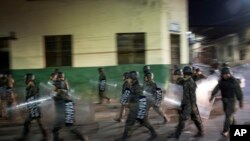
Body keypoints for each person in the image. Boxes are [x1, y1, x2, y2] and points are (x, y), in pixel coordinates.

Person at [117, 71, 157, 141]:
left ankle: (124, 137)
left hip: (137, 107)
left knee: (129, 122)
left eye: (129, 78)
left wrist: (129, 103)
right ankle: (154, 133)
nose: (128, 80)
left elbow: (138, 97)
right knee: (144, 122)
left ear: (133, 78)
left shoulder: (137, 86)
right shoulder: (133, 85)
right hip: (138, 107)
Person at [168, 66, 204, 139]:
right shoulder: (185, 81)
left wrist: (193, 106)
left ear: (185, 73)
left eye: (184, 74)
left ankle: (177, 135)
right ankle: (201, 132)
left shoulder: (190, 82)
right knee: (195, 118)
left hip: (189, 104)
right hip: (186, 103)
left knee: (182, 119)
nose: (184, 75)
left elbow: (193, 96)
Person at [52, 72, 88, 141]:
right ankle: (82, 137)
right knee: (68, 126)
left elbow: (55, 95)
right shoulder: (65, 84)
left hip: (64, 109)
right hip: (69, 107)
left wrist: (55, 95)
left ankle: (82, 137)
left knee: (64, 127)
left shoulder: (58, 85)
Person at [209, 67, 243, 137]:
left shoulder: (233, 81)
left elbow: (239, 92)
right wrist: (212, 95)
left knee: (228, 115)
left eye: (227, 74)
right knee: (229, 115)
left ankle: (225, 131)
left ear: (229, 74)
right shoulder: (221, 81)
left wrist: (240, 101)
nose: (225, 75)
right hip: (225, 100)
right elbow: (216, 88)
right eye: (224, 74)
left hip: (232, 100)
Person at [16, 73, 49, 141]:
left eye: (26, 79)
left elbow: (33, 98)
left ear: (29, 79)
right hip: (33, 108)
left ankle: (46, 137)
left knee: (38, 122)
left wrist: (26, 105)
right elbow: (28, 98)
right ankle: (25, 137)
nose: (25, 80)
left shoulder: (33, 87)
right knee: (29, 122)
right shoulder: (30, 87)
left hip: (35, 108)